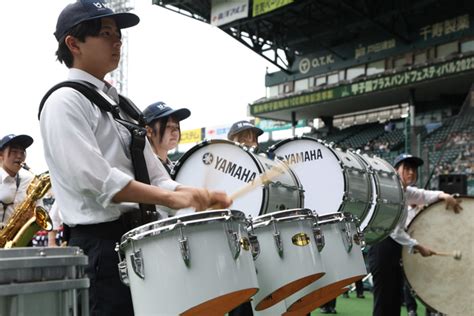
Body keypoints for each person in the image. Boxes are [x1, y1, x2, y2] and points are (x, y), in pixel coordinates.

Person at [39, 1, 231, 315]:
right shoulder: (64, 101)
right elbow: (98, 181)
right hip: (101, 246)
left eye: (118, 34)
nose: (117, 41)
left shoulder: (122, 106)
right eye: (105, 33)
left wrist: (194, 195)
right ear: (73, 43)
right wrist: (172, 199)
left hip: (140, 238)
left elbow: (156, 176)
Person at [368, 153, 462, 316]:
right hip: (382, 248)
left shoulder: (405, 191)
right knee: (384, 300)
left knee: (395, 298)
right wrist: (417, 245)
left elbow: (423, 195)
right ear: (395, 171)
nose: (411, 172)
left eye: (414, 169)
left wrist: (443, 195)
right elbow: (394, 230)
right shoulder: (390, 192)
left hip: (394, 249)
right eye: (407, 168)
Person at [227, 120, 262, 316]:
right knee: (241, 305)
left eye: (253, 137)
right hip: (236, 242)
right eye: (243, 137)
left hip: (261, 239)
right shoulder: (221, 170)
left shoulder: (266, 167)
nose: (249, 141)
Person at [143, 101, 190, 175]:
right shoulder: (142, 166)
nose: (175, 132)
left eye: (177, 127)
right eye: (168, 126)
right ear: (149, 131)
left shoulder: (174, 168)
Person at [0, 134, 34, 228]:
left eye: (22, 152)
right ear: (1, 154)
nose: (19, 156)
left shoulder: (30, 181)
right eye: (14, 151)